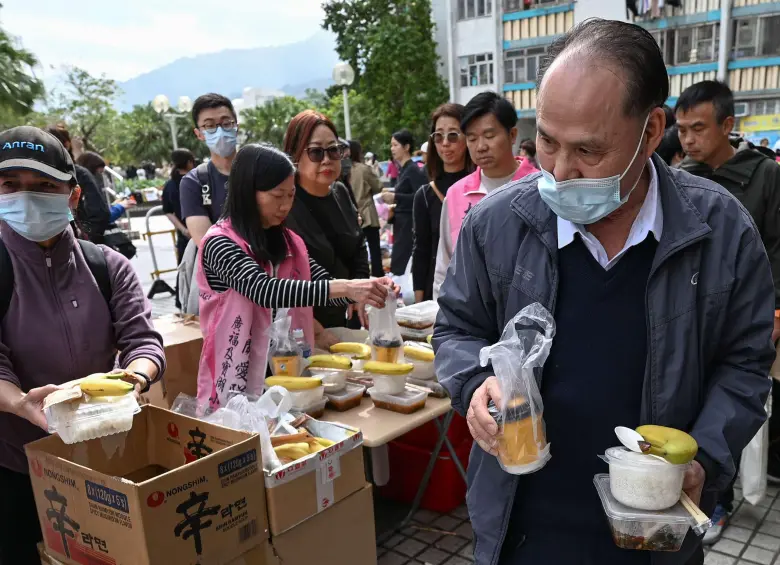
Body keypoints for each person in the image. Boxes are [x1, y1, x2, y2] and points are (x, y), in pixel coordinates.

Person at [433, 19, 774, 565]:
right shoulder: (496, 224)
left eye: (589, 151)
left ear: (651, 128)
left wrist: (704, 457)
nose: (561, 172)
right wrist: (475, 382)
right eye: (546, 140)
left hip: (654, 528)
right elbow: (455, 327)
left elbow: (745, 364)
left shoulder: (721, 231)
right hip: (524, 523)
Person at [0, 126, 166, 563]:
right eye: (10, 186)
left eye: (43, 186)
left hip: (102, 456)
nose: (25, 197)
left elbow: (143, 340)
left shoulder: (109, 267)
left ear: (73, 197)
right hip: (16, 465)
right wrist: (20, 404)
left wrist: (136, 376)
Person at [197, 144, 392, 409]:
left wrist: (366, 292)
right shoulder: (219, 243)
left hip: (286, 370)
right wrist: (347, 288)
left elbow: (318, 286)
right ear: (247, 191)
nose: (286, 205)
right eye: (278, 196)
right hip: (237, 376)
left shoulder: (288, 242)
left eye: (291, 195)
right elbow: (264, 290)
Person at [675, 79, 780, 543]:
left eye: (698, 128)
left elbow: (777, 249)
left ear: (728, 125)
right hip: (691, 315)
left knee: (735, 406)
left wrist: (775, 315)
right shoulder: (682, 176)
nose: (689, 140)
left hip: (747, 317)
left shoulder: (765, 177)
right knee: (696, 408)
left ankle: (720, 502)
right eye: (681, 130)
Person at [432, 91, 539, 299]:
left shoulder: (540, 189)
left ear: (512, 135)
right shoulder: (456, 195)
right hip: (473, 319)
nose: (480, 147)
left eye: (489, 136)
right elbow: (445, 266)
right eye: (472, 139)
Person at [283, 110, 371, 336]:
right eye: (315, 152)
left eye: (333, 150)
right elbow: (285, 273)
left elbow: (358, 245)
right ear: (294, 155)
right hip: (305, 326)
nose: (327, 159)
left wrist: (359, 290)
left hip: (349, 318)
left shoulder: (341, 192)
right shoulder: (284, 203)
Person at [177, 93, 239, 314]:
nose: (220, 131)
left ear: (236, 125)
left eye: (226, 123)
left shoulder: (259, 171)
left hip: (273, 277)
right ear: (199, 134)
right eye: (210, 126)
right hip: (226, 289)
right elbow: (206, 243)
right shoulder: (194, 182)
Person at [412, 103, 472, 303]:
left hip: (475, 290)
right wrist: (419, 303)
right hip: (437, 292)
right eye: (438, 136)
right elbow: (421, 251)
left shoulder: (480, 188)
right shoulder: (425, 195)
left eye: (453, 135)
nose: (445, 143)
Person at [46, 123, 110, 244]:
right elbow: (100, 213)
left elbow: (99, 213)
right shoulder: (78, 173)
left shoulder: (79, 174)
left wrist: (85, 240)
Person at [382, 129, 427, 276]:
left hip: (409, 224)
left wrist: (395, 197)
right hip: (401, 221)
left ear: (406, 147)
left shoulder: (413, 169)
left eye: (395, 145)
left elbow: (419, 196)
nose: (392, 149)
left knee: (402, 263)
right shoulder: (403, 169)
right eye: (391, 145)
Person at [349, 140, 385, 278]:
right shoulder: (363, 169)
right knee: (375, 250)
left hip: (352, 217)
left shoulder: (342, 170)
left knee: (358, 253)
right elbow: (378, 186)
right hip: (368, 215)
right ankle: (379, 278)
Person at [76, 151, 136, 222]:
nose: (101, 177)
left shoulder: (86, 190)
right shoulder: (81, 193)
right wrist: (121, 207)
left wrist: (114, 205)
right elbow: (99, 219)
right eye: (99, 173)